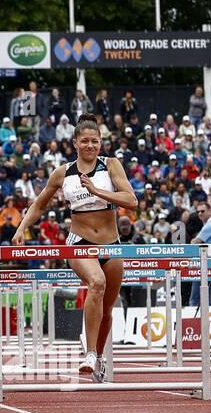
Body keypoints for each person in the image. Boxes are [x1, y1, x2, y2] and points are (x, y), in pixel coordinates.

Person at [12, 114, 138, 382]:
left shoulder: (111, 165)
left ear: (101, 143)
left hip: (111, 244)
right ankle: (89, 353)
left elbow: (131, 200)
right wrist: (21, 228)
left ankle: (99, 355)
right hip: (80, 243)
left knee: (107, 310)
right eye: (85, 141)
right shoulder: (63, 173)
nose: (90, 145)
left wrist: (98, 191)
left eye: (95, 141)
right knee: (96, 282)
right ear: (75, 143)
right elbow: (39, 204)